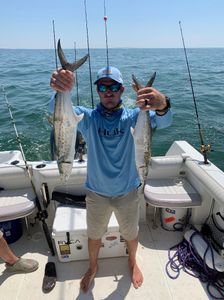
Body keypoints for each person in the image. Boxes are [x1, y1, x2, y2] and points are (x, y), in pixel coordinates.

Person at [50, 66, 172, 292]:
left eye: (113, 86)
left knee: (131, 234)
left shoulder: (134, 116)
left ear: (121, 89)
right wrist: (60, 89)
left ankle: (133, 262)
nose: (109, 91)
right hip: (96, 193)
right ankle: (93, 266)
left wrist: (163, 103)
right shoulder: (87, 117)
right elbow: (55, 111)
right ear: (97, 90)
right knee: (94, 235)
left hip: (128, 192)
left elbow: (164, 121)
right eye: (103, 87)